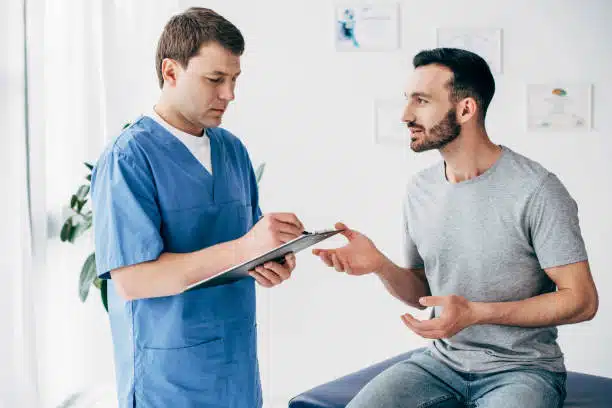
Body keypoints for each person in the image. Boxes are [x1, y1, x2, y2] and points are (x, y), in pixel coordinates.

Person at [312, 48, 598, 408]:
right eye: (407, 100)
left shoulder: (536, 190)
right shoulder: (420, 189)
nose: (405, 115)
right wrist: (380, 266)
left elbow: (582, 300)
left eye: (421, 101)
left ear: (465, 109)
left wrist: (477, 312)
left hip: (522, 370)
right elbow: (423, 294)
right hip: (440, 363)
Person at [91, 7, 304, 408]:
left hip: (235, 371)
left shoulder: (233, 150)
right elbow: (133, 280)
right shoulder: (129, 158)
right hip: (168, 381)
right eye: (214, 79)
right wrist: (245, 249)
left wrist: (271, 259)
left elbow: (242, 246)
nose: (229, 94)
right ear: (170, 72)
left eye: (234, 79)